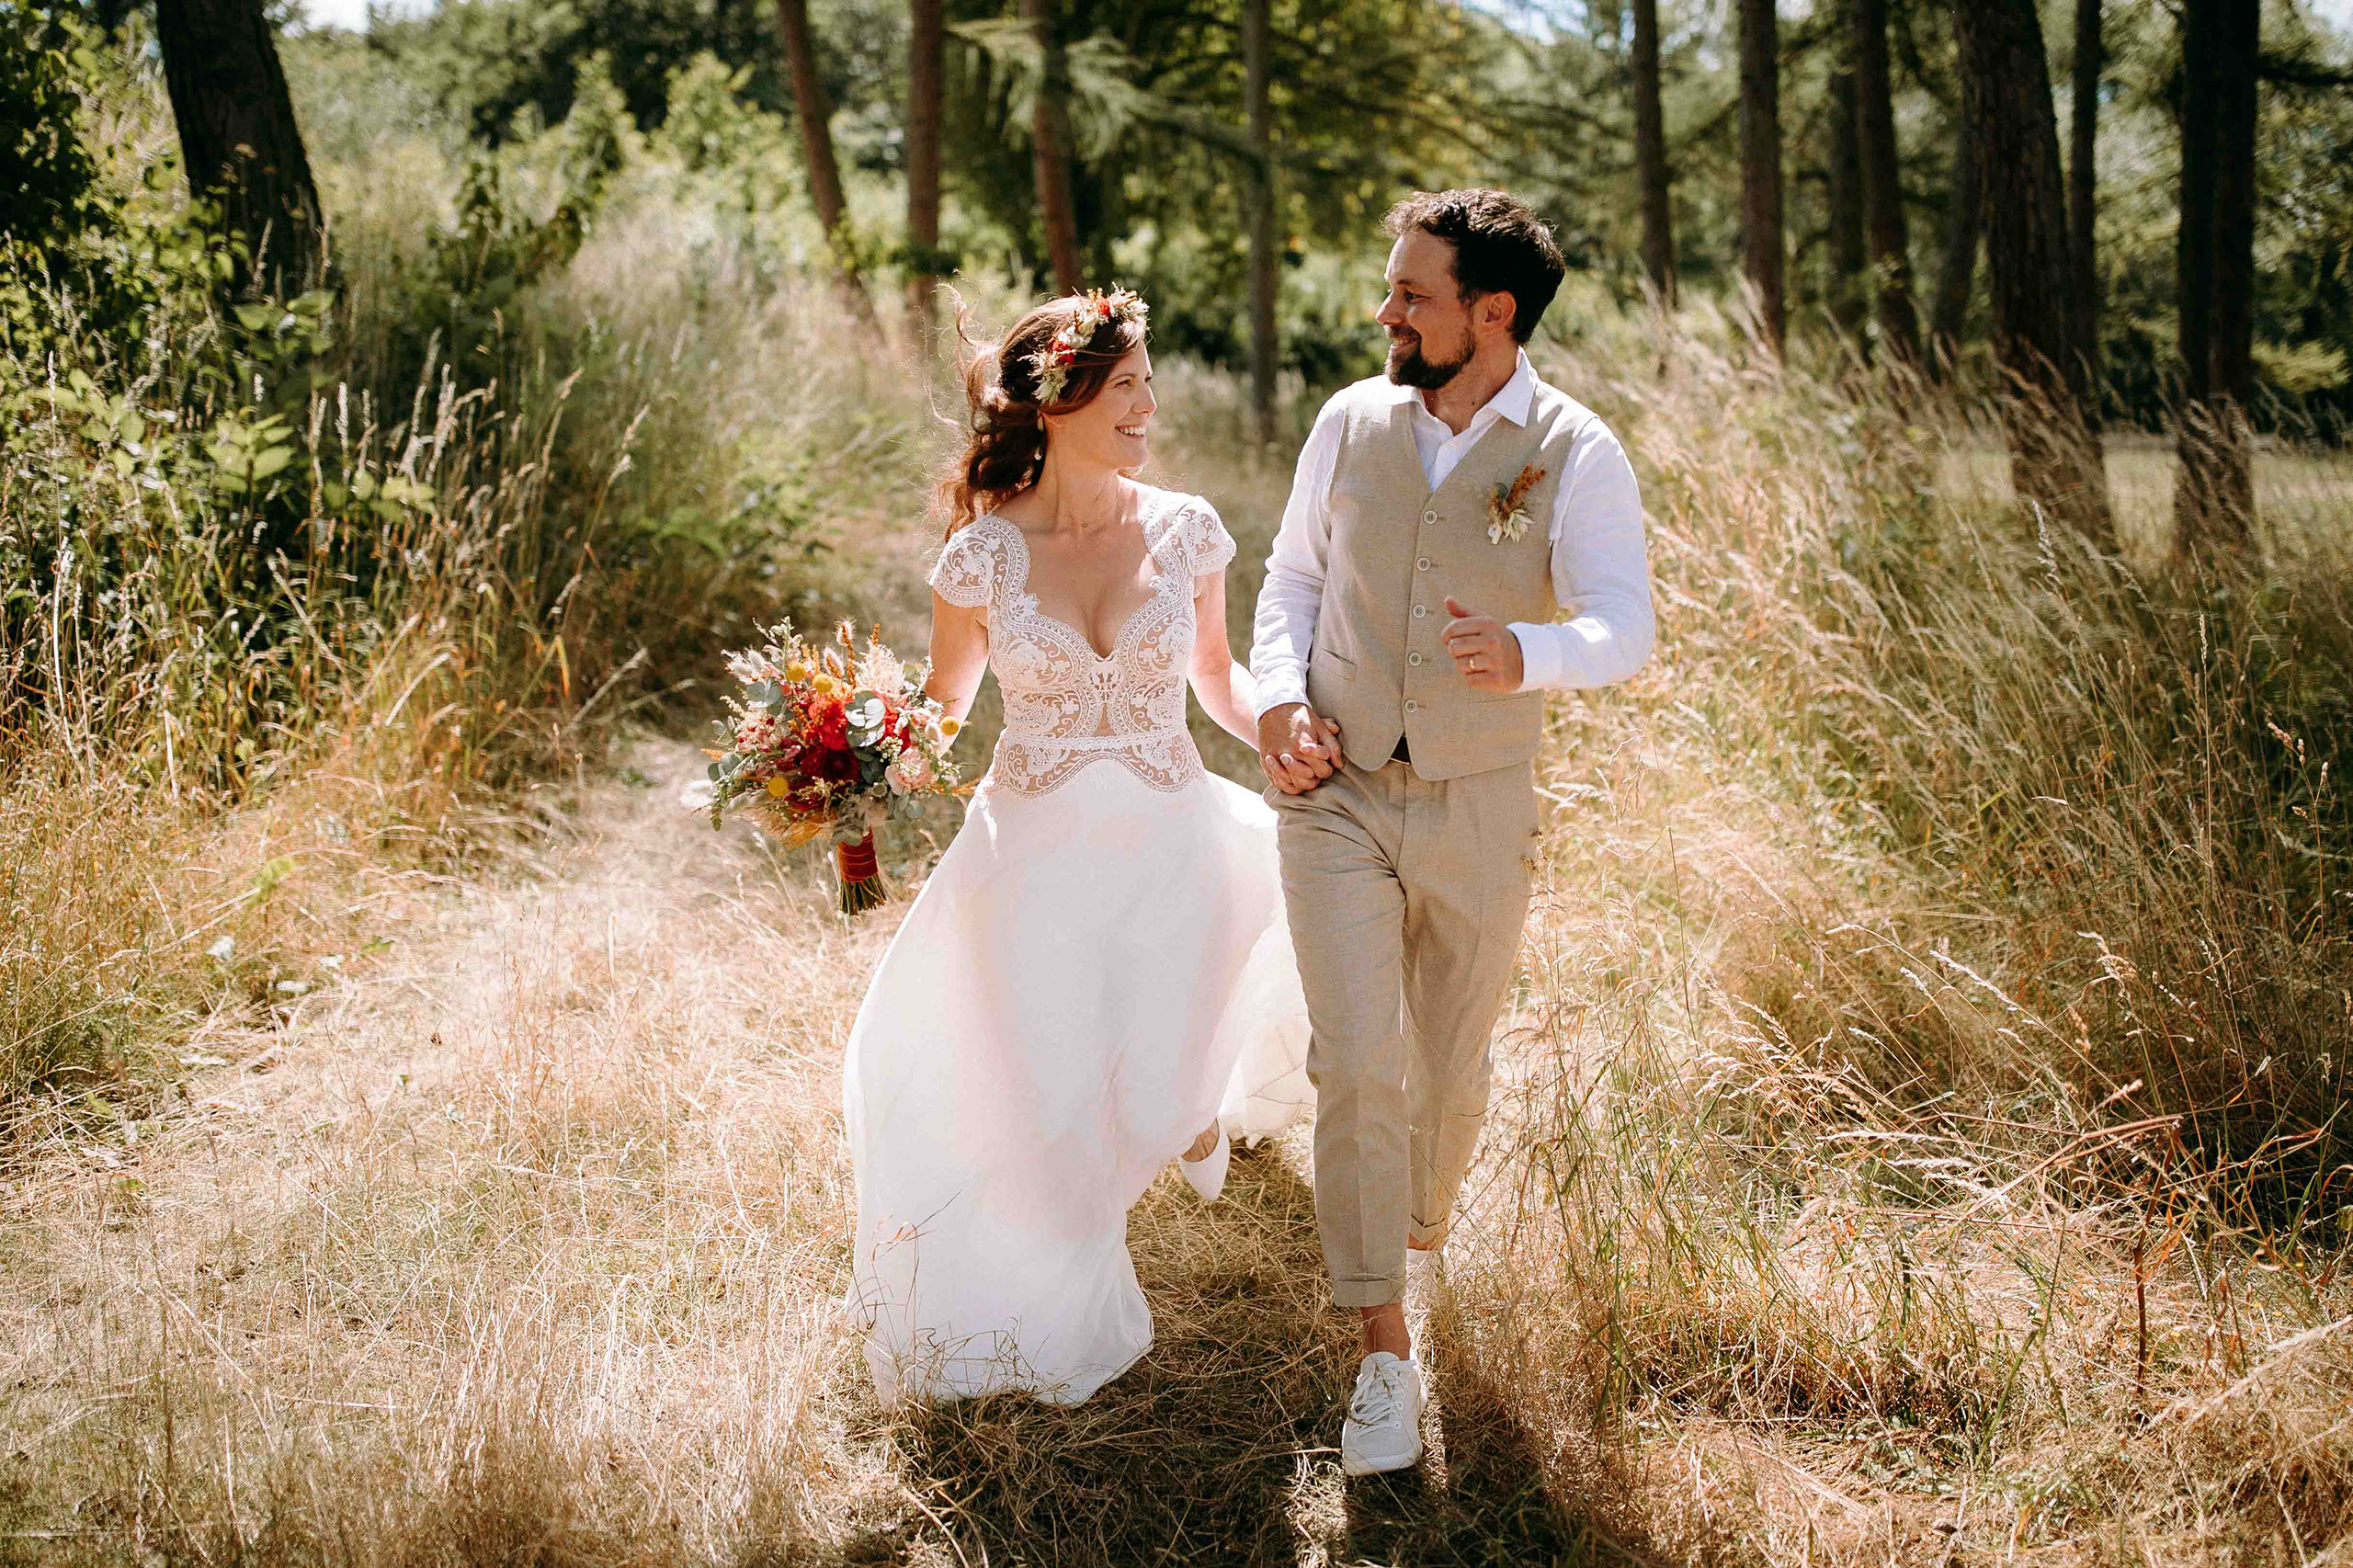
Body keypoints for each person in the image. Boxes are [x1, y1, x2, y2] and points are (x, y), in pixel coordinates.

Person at [842, 289, 1314, 1406]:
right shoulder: (985, 557)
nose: (1148, 406)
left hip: (1172, 839)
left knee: (1156, 1073)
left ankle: (1188, 1109)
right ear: (1056, 403)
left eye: (1149, 382)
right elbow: (944, 710)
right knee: (1048, 1096)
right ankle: (1056, 1263)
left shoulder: (1188, 528)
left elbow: (1214, 680)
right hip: (1032, 855)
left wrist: (1286, 732)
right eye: (1125, 388)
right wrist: (851, 755)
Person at [1250, 189, 1655, 1474]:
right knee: (1357, 1058)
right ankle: (1382, 1352)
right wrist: (1274, 696)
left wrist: (1529, 650)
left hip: (1483, 796)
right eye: (1391, 289)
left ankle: (1412, 1231)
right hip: (1341, 787)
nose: (1387, 314)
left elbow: (1624, 626)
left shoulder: (1577, 449)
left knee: (1448, 1068)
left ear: (1494, 313)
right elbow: (1293, 578)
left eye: (1412, 295)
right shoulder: (1349, 419)